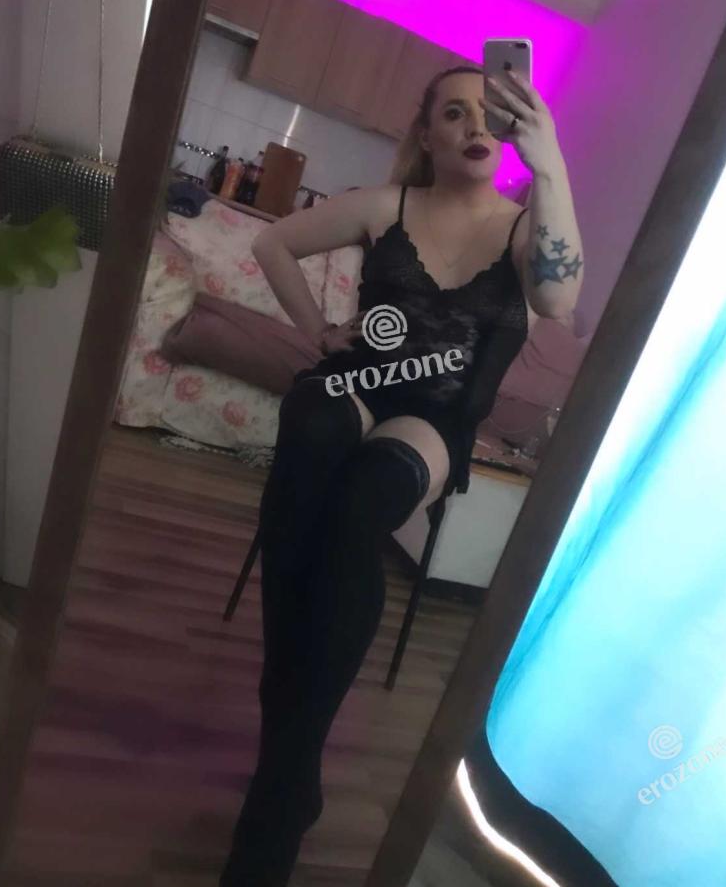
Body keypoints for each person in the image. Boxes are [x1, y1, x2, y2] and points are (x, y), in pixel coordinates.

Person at [220, 64, 583, 885]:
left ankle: (285, 767)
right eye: (454, 113)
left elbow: (559, 301)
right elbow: (273, 242)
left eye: (488, 113)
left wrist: (551, 159)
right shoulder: (387, 205)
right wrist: (319, 330)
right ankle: (289, 772)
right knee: (311, 418)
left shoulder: (524, 229)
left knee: (358, 503)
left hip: (435, 422)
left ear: (510, 131)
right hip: (356, 385)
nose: (473, 125)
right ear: (428, 134)